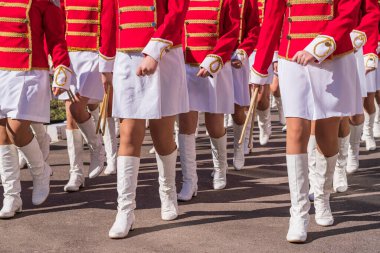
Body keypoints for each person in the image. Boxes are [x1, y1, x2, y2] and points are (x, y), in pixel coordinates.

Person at [250, 0, 362, 243]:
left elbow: (350, 10)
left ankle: (322, 197)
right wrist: (259, 71)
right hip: (292, 58)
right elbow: (272, 19)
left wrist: (318, 47)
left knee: (326, 133)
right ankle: (298, 213)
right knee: (296, 130)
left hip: (331, 56)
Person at [108, 0, 190, 239]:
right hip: (126, 56)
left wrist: (154, 51)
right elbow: (109, 14)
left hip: (163, 54)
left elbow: (178, 9)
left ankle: (168, 192)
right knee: (129, 134)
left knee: (161, 135)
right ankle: (125, 211)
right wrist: (105, 61)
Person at [0, 0, 71, 218]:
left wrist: (61, 69)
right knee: (2, 135)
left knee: (17, 129)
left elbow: (56, 39)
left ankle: (40, 172)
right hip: (3, 71)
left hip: (31, 72)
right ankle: (12, 196)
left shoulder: (43, 2)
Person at [177, 0, 239, 202]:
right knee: (186, 125)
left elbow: (232, 32)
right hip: (186, 66)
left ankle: (220, 167)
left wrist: (215, 59)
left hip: (214, 68)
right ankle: (189, 180)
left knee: (214, 124)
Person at [60, 0, 117, 192]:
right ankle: (75, 173)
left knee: (77, 107)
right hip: (70, 57)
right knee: (70, 115)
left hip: (94, 57)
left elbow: (109, 27)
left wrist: (107, 62)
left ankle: (97, 149)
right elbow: (59, 24)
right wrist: (56, 57)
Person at [230, 0, 260, 171]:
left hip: (235, 59)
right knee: (214, 115)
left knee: (236, 110)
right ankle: (218, 166)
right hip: (204, 56)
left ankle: (239, 147)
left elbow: (254, 29)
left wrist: (243, 52)